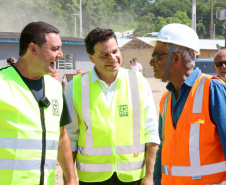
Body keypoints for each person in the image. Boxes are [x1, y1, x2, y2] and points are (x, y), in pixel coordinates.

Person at [65, 28, 160, 185]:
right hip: (91, 178)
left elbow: (151, 130)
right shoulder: (75, 87)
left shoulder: (138, 81)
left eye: (115, 51)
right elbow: (70, 137)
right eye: (104, 55)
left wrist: (149, 177)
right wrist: (70, 178)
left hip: (132, 177)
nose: (113, 58)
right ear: (91, 57)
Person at [0, 22, 76, 185]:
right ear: (33, 49)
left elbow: (62, 136)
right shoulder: (2, 83)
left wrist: (71, 178)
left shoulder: (55, 87)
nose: (61, 54)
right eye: (55, 49)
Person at [149, 23, 226, 185]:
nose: (151, 62)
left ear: (175, 58)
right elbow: (163, 150)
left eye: (156, 56)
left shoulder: (214, 89)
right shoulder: (166, 98)